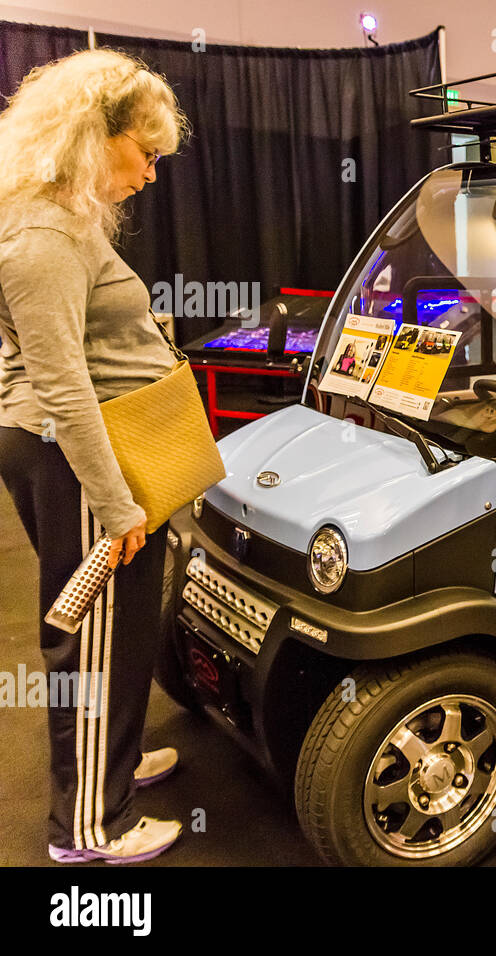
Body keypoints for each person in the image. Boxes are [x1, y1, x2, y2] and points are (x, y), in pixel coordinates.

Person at [0, 49, 190, 861]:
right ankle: (86, 826)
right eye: (144, 153)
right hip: (82, 460)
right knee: (91, 638)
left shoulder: (52, 218)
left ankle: (109, 766)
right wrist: (116, 506)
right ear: (94, 134)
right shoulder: (41, 231)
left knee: (118, 631)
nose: (150, 174)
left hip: (77, 449)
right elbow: (62, 385)